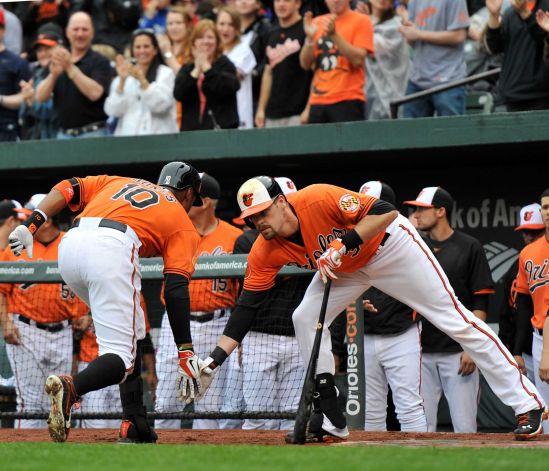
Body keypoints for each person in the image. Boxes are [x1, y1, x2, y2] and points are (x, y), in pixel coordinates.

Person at [195, 176, 547, 442]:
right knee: (303, 316)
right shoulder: (263, 249)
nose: (259, 222)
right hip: (347, 269)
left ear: (282, 202)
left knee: (453, 318)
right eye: (252, 218)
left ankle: (526, 403)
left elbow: (384, 211)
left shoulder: (316, 198)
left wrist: (343, 242)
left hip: (390, 250)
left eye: (263, 212)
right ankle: (332, 416)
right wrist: (213, 361)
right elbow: (246, 309)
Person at [7, 162, 204, 444]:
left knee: (132, 334)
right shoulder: (182, 221)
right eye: (192, 200)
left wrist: (32, 224)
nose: (190, 205)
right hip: (112, 249)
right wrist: (185, 349)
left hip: (71, 246)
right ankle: (71, 388)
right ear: (187, 194)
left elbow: (68, 186)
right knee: (122, 357)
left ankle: (134, 422)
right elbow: (175, 289)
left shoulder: (119, 182)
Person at [154, 173, 243, 430]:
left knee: (210, 409)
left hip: (218, 324)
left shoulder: (235, 237)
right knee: (167, 405)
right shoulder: (170, 231)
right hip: (176, 322)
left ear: (204, 202)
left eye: (188, 195)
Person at [404, 187, 495, 433]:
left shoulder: (469, 246)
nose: (416, 214)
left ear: (441, 211)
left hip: (457, 352)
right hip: (421, 351)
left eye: (422, 209)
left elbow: (481, 302)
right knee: (421, 428)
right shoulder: (416, 247)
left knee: (465, 428)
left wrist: (471, 347)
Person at [0, 193, 89, 429]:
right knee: (31, 404)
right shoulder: (15, 246)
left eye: (29, 218)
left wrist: (85, 313)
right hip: (25, 329)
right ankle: (26, 462)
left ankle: (56, 455)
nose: (23, 224)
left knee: (59, 401)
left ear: (46, 220)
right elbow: (1, 289)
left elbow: (88, 282)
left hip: (63, 332)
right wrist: (5, 322)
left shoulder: (71, 244)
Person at [235, 176, 306, 430]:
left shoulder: (310, 235)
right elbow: (247, 295)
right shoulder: (249, 242)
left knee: (294, 417)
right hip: (258, 335)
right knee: (257, 418)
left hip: (298, 336)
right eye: (259, 213)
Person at [358, 181, 426, 432]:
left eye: (370, 207)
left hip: (402, 331)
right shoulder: (352, 236)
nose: (364, 214)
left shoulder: (407, 237)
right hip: (364, 335)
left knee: (408, 406)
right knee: (370, 410)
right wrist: (353, 302)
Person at [35, 12, 112, 139]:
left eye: (85, 29)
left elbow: (95, 93)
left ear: (92, 33)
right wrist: (53, 76)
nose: (80, 34)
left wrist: (70, 67)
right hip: (63, 135)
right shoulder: (59, 59)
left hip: (94, 133)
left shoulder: (100, 61)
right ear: (67, 32)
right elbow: (40, 97)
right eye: (75, 29)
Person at [299, 0, 374, 123]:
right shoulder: (316, 22)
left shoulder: (362, 20)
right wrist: (309, 39)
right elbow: (305, 64)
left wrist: (334, 35)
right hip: (318, 100)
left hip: (348, 99)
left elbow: (357, 60)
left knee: (348, 142)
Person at [513, 189, 549, 433]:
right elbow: (523, 304)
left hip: (545, 343)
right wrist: (517, 351)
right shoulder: (528, 253)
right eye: (545, 208)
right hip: (538, 337)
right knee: (546, 412)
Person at [498, 203, 546, 383]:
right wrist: (513, 351)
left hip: (542, 340)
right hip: (526, 351)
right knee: (532, 408)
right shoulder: (515, 269)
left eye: (535, 231)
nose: (529, 237)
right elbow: (509, 312)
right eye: (525, 232)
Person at [399, 0, 470, 117]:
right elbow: (412, 40)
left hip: (448, 80)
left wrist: (419, 34)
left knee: (451, 134)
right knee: (410, 133)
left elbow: (459, 36)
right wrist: (407, 30)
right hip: (418, 79)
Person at [104, 29, 178, 136]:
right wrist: (121, 82)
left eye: (146, 46)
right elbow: (112, 111)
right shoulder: (124, 76)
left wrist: (143, 81)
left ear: (155, 50)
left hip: (159, 141)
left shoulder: (166, 73)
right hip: (129, 142)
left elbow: (161, 106)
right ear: (132, 51)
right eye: (138, 47)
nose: (142, 51)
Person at [174, 19, 240, 130]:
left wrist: (206, 68)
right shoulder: (187, 67)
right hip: (192, 132)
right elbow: (179, 94)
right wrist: (195, 71)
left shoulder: (224, 63)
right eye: (200, 37)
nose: (205, 41)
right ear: (193, 42)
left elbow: (228, 87)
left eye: (210, 37)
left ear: (217, 42)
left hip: (222, 131)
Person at [255, 0, 312, 128]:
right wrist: (261, 109)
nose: (281, 4)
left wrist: (309, 108)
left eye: (286, 0)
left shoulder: (307, 29)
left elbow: (316, 72)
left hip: (298, 112)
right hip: (272, 114)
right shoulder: (271, 33)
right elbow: (268, 72)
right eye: (277, 1)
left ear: (297, 3)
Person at [484, 0, 549, 112]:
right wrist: (494, 16)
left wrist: (525, 14)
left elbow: (544, 42)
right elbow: (495, 48)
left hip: (540, 96)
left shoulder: (546, 6)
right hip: (510, 95)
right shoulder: (510, 12)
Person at [363, 0, 409, 120]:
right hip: (368, 93)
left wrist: (363, 26)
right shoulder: (363, 22)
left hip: (396, 92)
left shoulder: (397, 25)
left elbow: (374, 45)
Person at [217, 7, 257, 128]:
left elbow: (232, 77)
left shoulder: (244, 50)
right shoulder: (214, 51)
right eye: (222, 24)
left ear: (237, 28)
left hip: (240, 116)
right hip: (217, 116)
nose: (225, 29)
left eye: (231, 24)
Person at [19, 31, 63, 140]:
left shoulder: (65, 74)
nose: (43, 53)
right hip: (37, 139)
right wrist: (26, 99)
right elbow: (23, 115)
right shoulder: (37, 74)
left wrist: (31, 101)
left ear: (60, 48)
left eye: (48, 48)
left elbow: (54, 113)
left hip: (58, 138)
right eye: (39, 50)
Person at [157, 6, 195, 129]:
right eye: (170, 23)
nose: (174, 27)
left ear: (188, 25)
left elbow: (185, 78)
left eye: (178, 23)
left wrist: (168, 54)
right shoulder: (160, 52)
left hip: (187, 110)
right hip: (166, 111)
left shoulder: (193, 50)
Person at [235, 0, 272, 115]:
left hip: (255, 94)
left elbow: (267, 61)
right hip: (232, 94)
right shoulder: (229, 28)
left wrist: (250, 74)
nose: (243, 2)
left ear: (258, 4)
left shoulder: (266, 29)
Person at [0, 8, 31, 142]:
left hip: (6, 131)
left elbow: (26, 98)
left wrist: (1, 99)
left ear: (3, 30)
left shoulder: (17, 63)